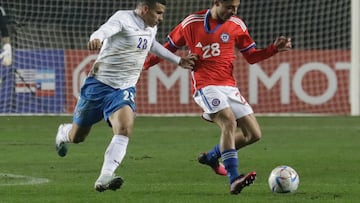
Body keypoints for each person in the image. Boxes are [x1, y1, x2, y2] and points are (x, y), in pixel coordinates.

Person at [144, 0, 292, 195]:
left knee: (254, 134)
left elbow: (252, 56)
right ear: (217, 2)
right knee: (229, 122)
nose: (233, 11)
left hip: (229, 87)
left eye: (236, 8)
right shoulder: (191, 23)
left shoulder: (237, 25)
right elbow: (166, 49)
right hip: (205, 86)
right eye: (230, 7)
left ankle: (212, 157)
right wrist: (142, 64)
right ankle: (234, 178)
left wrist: (273, 48)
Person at [55, 0, 197, 192]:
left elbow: (151, 45)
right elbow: (105, 30)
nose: (161, 18)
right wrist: (96, 37)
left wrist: (178, 60)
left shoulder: (150, 27)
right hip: (98, 86)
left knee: (124, 128)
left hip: (123, 89)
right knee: (78, 136)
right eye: (158, 13)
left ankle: (105, 176)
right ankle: (64, 132)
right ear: (145, 9)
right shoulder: (123, 18)